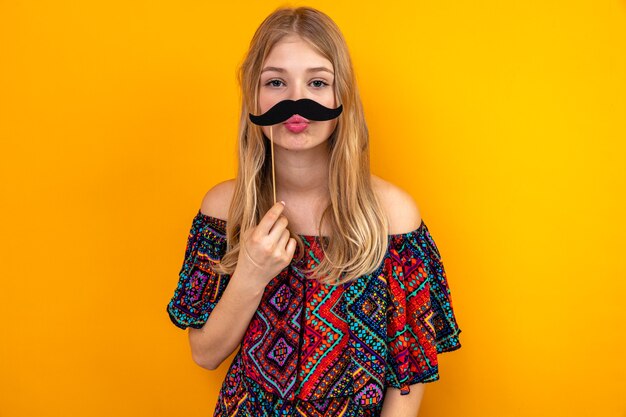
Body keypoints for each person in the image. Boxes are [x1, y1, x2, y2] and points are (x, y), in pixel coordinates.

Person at [166, 6, 462, 417]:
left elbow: (407, 377)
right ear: (253, 93)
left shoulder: (392, 216)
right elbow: (204, 353)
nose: (296, 102)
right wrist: (251, 272)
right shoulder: (223, 209)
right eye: (275, 82)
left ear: (341, 96)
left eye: (317, 82)